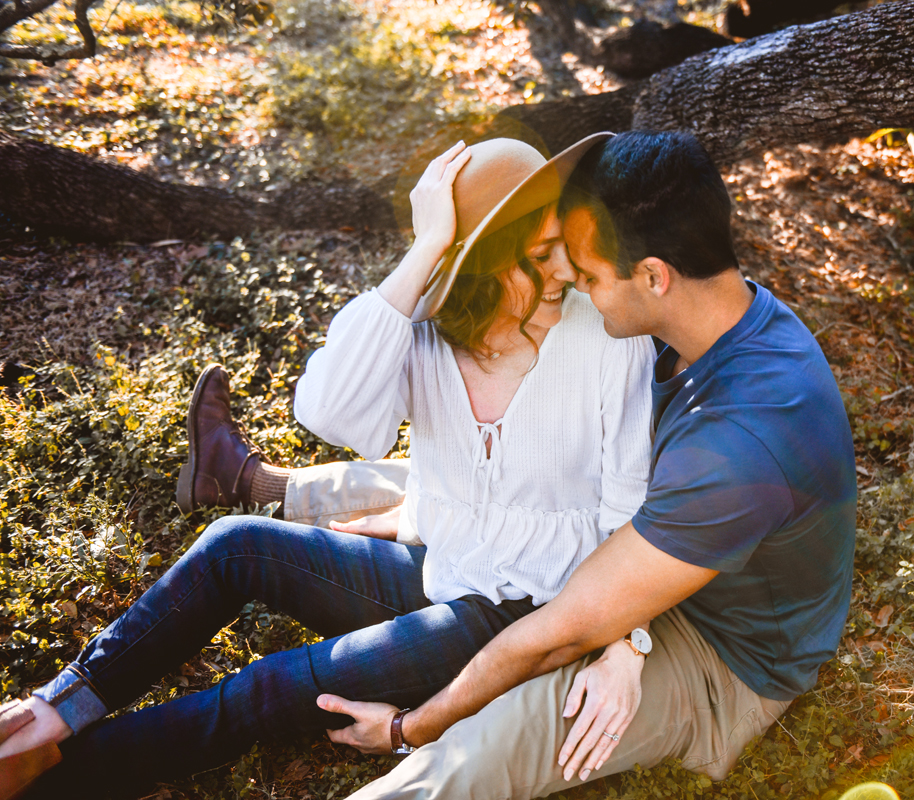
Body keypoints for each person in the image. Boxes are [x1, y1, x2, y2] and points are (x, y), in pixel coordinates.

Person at [0, 134, 655, 799]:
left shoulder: (605, 338)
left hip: (525, 620)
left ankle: (58, 778)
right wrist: (426, 249)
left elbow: (632, 515)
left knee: (275, 683)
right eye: (541, 257)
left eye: (563, 249)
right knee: (236, 543)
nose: (568, 273)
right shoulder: (425, 336)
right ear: (477, 264)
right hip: (439, 573)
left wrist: (624, 644)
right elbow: (330, 411)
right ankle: (56, 712)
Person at [314, 130, 858, 800]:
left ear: (654, 275)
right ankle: (278, 486)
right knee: (499, 480)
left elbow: (560, 635)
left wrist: (411, 728)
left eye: (591, 276)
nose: (572, 285)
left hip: (718, 655)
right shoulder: (717, 314)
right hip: (667, 556)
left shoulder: (745, 437)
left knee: (484, 749)